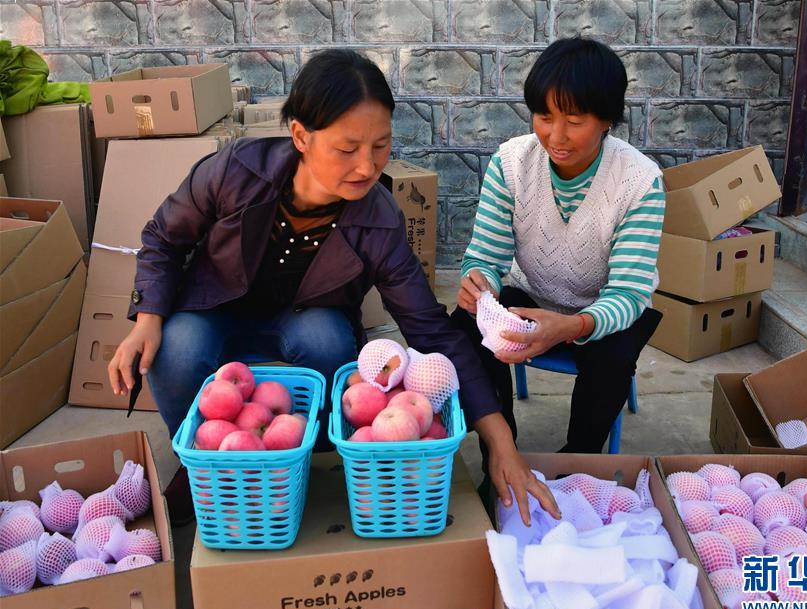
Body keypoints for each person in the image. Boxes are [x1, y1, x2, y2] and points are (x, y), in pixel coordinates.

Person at [107, 50, 558, 526]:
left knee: (329, 341)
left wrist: (501, 442)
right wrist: (147, 320)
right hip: (213, 308)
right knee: (176, 347)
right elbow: (163, 237)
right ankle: (203, 463)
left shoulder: (379, 220)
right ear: (301, 135)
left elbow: (432, 332)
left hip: (307, 319)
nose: (366, 166)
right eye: (347, 149)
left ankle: (315, 461)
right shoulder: (236, 171)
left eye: (380, 146)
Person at [451, 37, 665, 464]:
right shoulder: (511, 163)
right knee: (463, 326)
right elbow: (486, 256)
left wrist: (570, 326)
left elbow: (627, 294)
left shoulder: (640, 182)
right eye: (544, 116)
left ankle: (576, 463)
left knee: (613, 360)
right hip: (531, 294)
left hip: (604, 309)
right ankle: (501, 448)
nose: (556, 135)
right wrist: (480, 285)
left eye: (575, 119)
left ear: (607, 119)